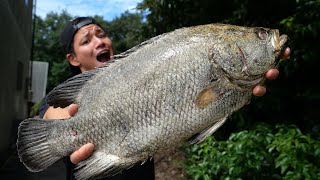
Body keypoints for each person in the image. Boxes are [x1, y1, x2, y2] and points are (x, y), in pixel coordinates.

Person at [39, 17, 291, 179]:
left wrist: (237, 93)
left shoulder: (139, 70)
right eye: (86, 40)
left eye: (101, 34)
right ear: (73, 59)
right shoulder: (69, 95)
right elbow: (51, 114)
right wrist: (70, 125)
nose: (99, 41)